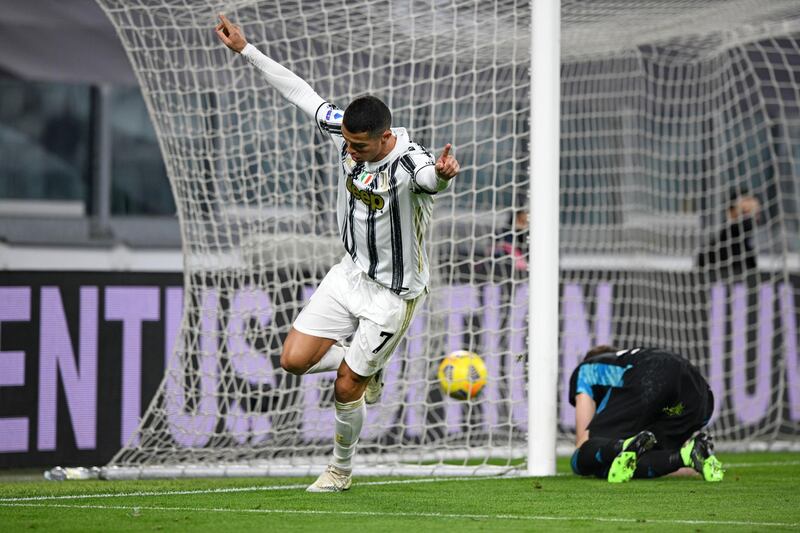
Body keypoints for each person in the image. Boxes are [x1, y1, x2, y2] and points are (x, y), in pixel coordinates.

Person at [215, 14, 460, 492]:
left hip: (393, 293)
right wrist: (246, 50)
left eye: (361, 146)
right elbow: (301, 93)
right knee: (292, 361)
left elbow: (431, 180)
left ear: (385, 138)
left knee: (345, 386)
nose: (351, 152)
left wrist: (445, 175)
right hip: (349, 275)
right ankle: (363, 364)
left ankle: (340, 470)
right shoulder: (349, 137)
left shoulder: (409, 161)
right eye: (347, 143)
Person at [569, 345, 724, 483]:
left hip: (651, 378)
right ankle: (687, 456)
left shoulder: (586, 368)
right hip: (698, 396)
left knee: (581, 460)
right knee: (625, 461)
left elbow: (582, 444)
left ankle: (624, 446)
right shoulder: (632, 359)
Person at [697, 188, 761, 277]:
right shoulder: (710, 253)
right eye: (744, 212)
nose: (750, 219)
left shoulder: (749, 254)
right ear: (730, 212)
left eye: (755, 214)